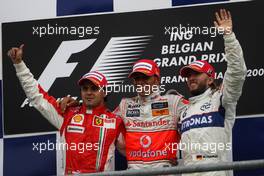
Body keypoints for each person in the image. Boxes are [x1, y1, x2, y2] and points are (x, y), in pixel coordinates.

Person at [7, 45, 125, 175]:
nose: (89, 92)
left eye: (94, 88)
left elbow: (135, 145)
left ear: (105, 92)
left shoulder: (116, 121)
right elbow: (37, 97)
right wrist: (19, 64)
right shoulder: (67, 114)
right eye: (85, 89)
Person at [178, 9, 247, 176]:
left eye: (196, 74)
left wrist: (229, 37)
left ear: (210, 79)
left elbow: (237, 72)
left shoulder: (221, 99)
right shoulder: (183, 111)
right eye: (188, 75)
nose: (191, 78)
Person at [114, 59, 187, 169]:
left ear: (157, 80)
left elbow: (198, 117)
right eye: (137, 78)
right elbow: (104, 125)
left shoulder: (174, 102)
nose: (140, 82)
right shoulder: (125, 105)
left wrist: (180, 155)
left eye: (145, 77)